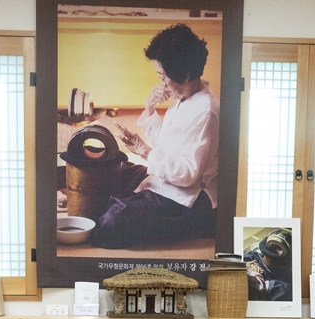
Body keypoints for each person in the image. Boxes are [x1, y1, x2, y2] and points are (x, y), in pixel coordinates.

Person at [91, 24, 219, 248]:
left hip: (188, 200)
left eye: (163, 77)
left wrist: (146, 152)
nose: (161, 84)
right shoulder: (184, 99)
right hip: (169, 183)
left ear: (186, 74)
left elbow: (187, 174)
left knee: (111, 223)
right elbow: (167, 149)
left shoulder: (207, 110)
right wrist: (149, 109)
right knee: (113, 171)